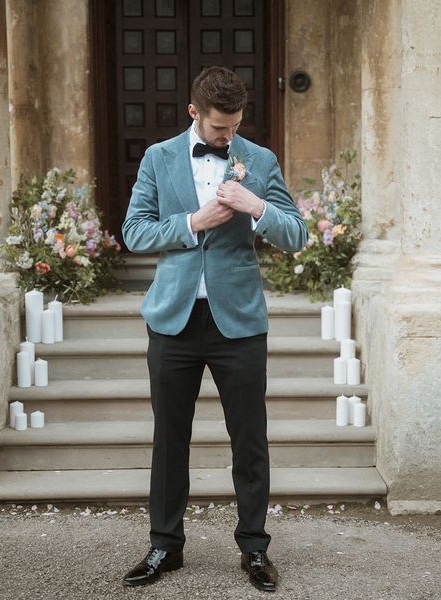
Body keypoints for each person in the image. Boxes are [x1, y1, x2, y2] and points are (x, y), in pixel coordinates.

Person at [121, 65, 308, 592]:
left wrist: (257, 208)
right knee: (169, 441)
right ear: (193, 113)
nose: (228, 138)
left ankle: (254, 549)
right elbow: (134, 231)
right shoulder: (159, 158)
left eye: (234, 127)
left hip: (239, 324)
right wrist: (191, 223)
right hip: (174, 321)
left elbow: (297, 235)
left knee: (249, 441)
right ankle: (164, 546)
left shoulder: (261, 161)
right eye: (219, 129)